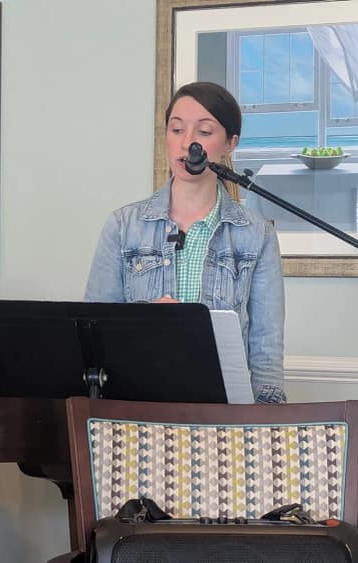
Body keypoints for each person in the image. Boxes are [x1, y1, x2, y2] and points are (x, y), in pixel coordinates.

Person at [84, 82, 286, 404]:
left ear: (230, 143)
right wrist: (143, 322)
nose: (187, 142)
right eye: (177, 129)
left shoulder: (258, 234)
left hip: (222, 414)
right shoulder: (123, 226)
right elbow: (94, 335)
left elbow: (266, 351)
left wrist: (264, 423)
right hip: (138, 409)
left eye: (204, 132)